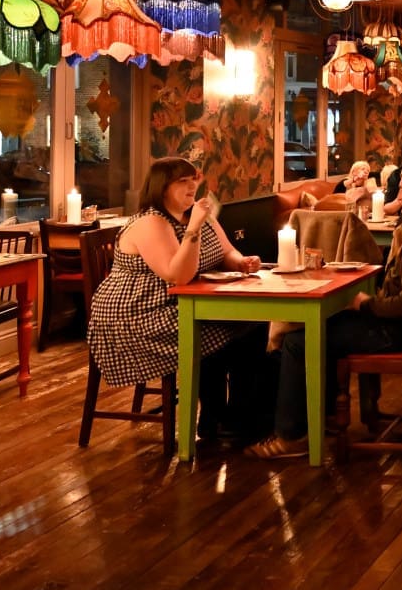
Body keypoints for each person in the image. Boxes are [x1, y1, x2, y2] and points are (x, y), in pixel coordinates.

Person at [252, 159, 402, 456]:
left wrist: (365, 304)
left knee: (299, 340)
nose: (398, 196)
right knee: (324, 329)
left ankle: (292, 435)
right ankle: (322, 418)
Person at [88, 157, 271, 443]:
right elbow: (179, 276)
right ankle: (216, 419)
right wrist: (193, 229)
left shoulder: (195, 215)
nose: (191, 187)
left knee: (253, 323)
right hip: (136, 314)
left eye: (193, 180)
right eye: (182, 182)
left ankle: (236, 417)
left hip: (179, 302)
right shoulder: (151, 222)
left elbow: (226, 251)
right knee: (220, 333)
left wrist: (241, 262)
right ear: (162, 188)